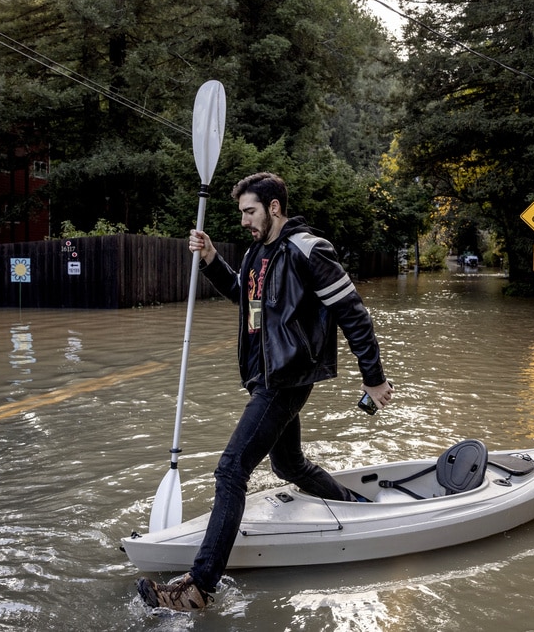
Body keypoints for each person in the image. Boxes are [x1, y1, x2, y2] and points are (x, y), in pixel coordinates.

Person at [136, 172, 393, 612]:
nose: (243, 221)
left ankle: (199, 587)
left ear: (274, 208)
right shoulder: (257, 253)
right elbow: (244, 297)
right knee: (289, 464)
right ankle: (356, 505)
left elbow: (354, 314)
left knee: (231, 469)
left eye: (249, 211)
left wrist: (373, 377)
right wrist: (213, 258)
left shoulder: (309, 250)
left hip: (288, 378)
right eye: (241, 213)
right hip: (266, 377)